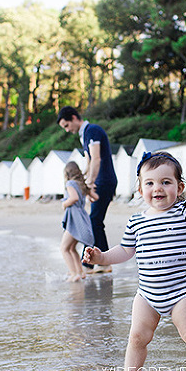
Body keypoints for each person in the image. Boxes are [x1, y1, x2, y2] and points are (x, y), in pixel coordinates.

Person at [84, 151, 186, 371]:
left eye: (166, 182)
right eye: (149, 183)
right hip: (147, 295)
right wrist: (101, 258)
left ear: (179, 187)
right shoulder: (136, 221)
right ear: (140, 189)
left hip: (180, 293)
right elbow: (125, 251)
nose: (157, 188)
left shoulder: (184, 213)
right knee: (137, 338)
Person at [58, 106, 118, 273]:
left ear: (74, 118)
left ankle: (98, 263)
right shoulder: (84, 134)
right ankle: (91, 263)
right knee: (94, 221)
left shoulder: (92, 130)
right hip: (99, 181)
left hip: (103, 181)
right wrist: (83, 181)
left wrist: (90, 184)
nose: (67, 130)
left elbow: (96, 159)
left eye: (66, 125)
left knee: (94, 221)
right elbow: (89, 162)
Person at [60, 162, 98, 282]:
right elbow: (96, 197)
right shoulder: (82, 184)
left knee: (64, 248)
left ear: (67, 173)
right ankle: (80, 272)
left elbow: (74, 198)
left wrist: (64, 204)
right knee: (72, 248)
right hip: (82, 217)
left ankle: (74, 274)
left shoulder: (70, 183)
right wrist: (89, 194)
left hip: (75, 219)